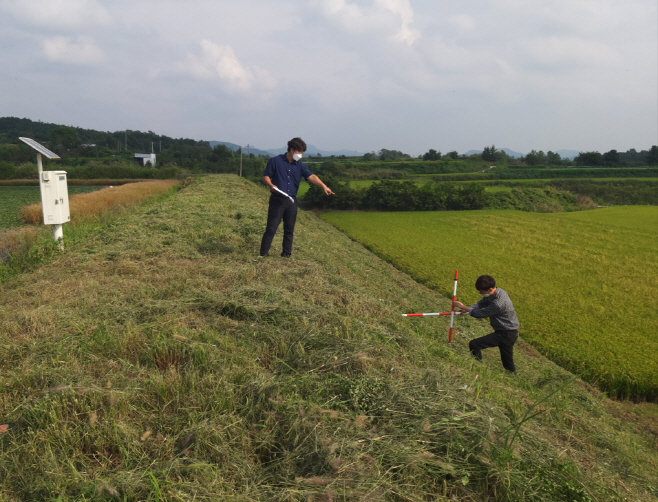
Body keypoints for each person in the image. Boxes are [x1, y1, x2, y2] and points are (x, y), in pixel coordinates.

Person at [259, 137, 334, 258]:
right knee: (272, 227)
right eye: (300, 152)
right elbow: (266, 176)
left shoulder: (300, 166)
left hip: (292, 201)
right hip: (277, 199)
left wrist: (324, 186)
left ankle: (286, 254)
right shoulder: (276, 161)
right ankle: (263, 254)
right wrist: (271, 185)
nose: (301, 155)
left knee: (289, 229)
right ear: (292, 150)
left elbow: (312, 176)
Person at [452, 275, 520, 372]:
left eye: (481, 291)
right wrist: (468, 308)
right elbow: (483, 302)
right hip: (508, 332)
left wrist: (466, 307)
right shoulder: (498, 291)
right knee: (508, 363)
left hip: (506, 334)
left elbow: (482, 313)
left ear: (490, 289)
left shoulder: (498, 303)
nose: (480, 293)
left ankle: (477, 367)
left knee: (474, 344)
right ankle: (512, 375)